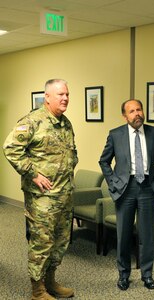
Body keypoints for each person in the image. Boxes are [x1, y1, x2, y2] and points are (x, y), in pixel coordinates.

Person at [3, 79, 78, 300]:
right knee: (42, 243)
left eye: (67, 94)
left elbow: (70, 153)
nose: (65, 98)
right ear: (47, 97)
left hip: (64, 195)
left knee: (60, 242)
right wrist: (33, 174)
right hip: (42, 199)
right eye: (60, 95)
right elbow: (11, 148)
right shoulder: (32, 121)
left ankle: (50, 282)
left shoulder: (65, 123)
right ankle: (37, 291)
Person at [99, 99, 154, 291]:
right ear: (125, 116)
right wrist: (114, 183)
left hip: (148, 189)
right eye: (131, 111)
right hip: (125, 190)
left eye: (139, 109)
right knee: (123, 235)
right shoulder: (116, 135)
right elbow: (104, 161)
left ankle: (147, 274)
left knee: (146, 235)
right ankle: (123, 275)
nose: (137, 113)